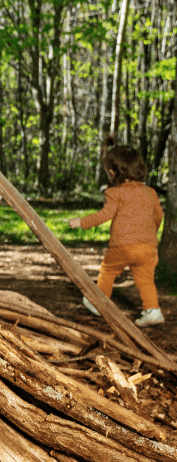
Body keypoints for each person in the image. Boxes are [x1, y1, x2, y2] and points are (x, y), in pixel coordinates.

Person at [67, 140, 165, 327]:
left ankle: (99, 302)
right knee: (146, 280)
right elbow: (159, 216)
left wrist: (81, 222)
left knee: (108, 270)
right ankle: (153, 311)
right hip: (148, 247)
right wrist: (152, 233)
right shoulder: (151, 193)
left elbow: (105, 215)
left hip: (122, 246)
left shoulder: (115, 193)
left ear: (113, 172)